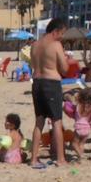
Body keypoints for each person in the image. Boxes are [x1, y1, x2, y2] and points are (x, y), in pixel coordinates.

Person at [30, 19, 70, 168]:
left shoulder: (35, 45)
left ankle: (34, 158)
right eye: (62, 33)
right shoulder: (55, 44)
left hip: (37, 83)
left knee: (39, 121)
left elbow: (34, 65)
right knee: (56, 121)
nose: (62, 37)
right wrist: (66, 59)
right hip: (51, 83)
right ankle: (61, 159)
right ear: (56, 31)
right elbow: (65, 69)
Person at [69, 88, 91, 161]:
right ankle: (80, 158)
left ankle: (80, 155)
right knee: (81, 144)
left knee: (74, 144)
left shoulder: (78, 105)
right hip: (87, 128)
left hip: (79, 128)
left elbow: (71, 102)